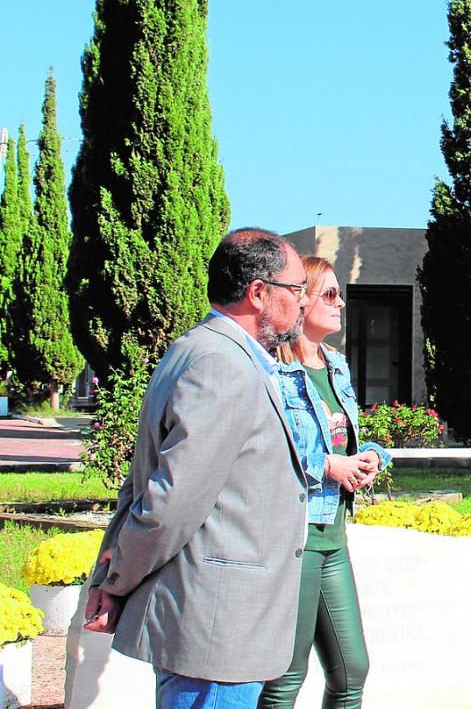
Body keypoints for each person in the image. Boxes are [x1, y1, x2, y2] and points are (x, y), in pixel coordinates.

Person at [84, 227, 312, 708]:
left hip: (216, 624)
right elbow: (170, 498)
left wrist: (109, 573)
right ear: (258, 293)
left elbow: (143, 483)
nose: (303, 303)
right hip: (214, 630)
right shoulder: (221, 364)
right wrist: (116, 579)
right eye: (296, 290)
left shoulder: (203, 350)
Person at [260, 256, 392, 708]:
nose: (340, 304)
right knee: (284, 678)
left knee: (352, 670)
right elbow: (267, 446)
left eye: (341, 295)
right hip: (293, 536)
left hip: (332, 533)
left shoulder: (336, 365)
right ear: (302, 301)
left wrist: (372, 454)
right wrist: (328, 466)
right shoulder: (272, 370)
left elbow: (339, 434)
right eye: (330, 295)